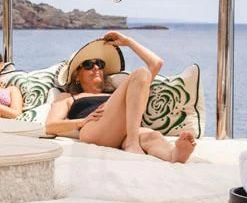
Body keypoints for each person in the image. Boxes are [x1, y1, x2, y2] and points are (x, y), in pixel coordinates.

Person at [44, 31, 196, 162]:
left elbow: (156, 63)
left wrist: (128, 42)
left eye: (100, 64)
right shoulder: (68, 97)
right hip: (94, 129)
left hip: (122, 131)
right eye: (89, 65)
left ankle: (174, 155)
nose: (96, 68)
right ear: (76, 75)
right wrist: (82, 121)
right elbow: (51, 126)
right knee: (141, 73)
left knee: (152, 136)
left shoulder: (117, 92)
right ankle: (132, 142)